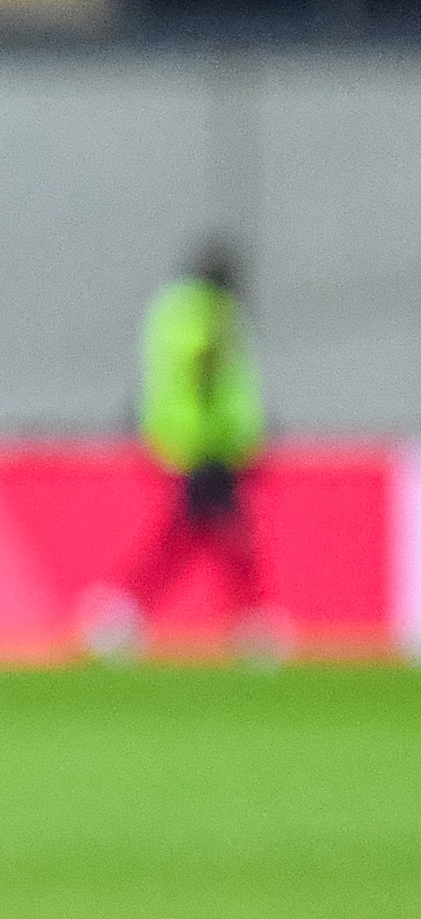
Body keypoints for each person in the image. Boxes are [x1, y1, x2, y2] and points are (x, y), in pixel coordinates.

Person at [84, 239, 276, 663]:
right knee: (217, 534)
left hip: (197, 442)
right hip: (202, 444)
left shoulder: (174, 309)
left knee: (195, 535)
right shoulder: (205, 312)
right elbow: (203, 365)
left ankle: (124, 610)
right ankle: (249, 624)